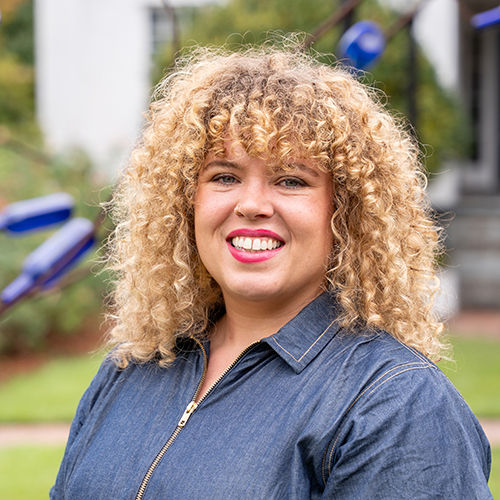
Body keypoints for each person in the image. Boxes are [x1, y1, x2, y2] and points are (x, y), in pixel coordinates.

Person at [51, 42, 492, 499]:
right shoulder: (133, 368)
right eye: (224, 176)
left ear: (345, 212)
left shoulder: (395, 403)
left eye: (291, 180)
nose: (252, 205)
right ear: (186, 202)